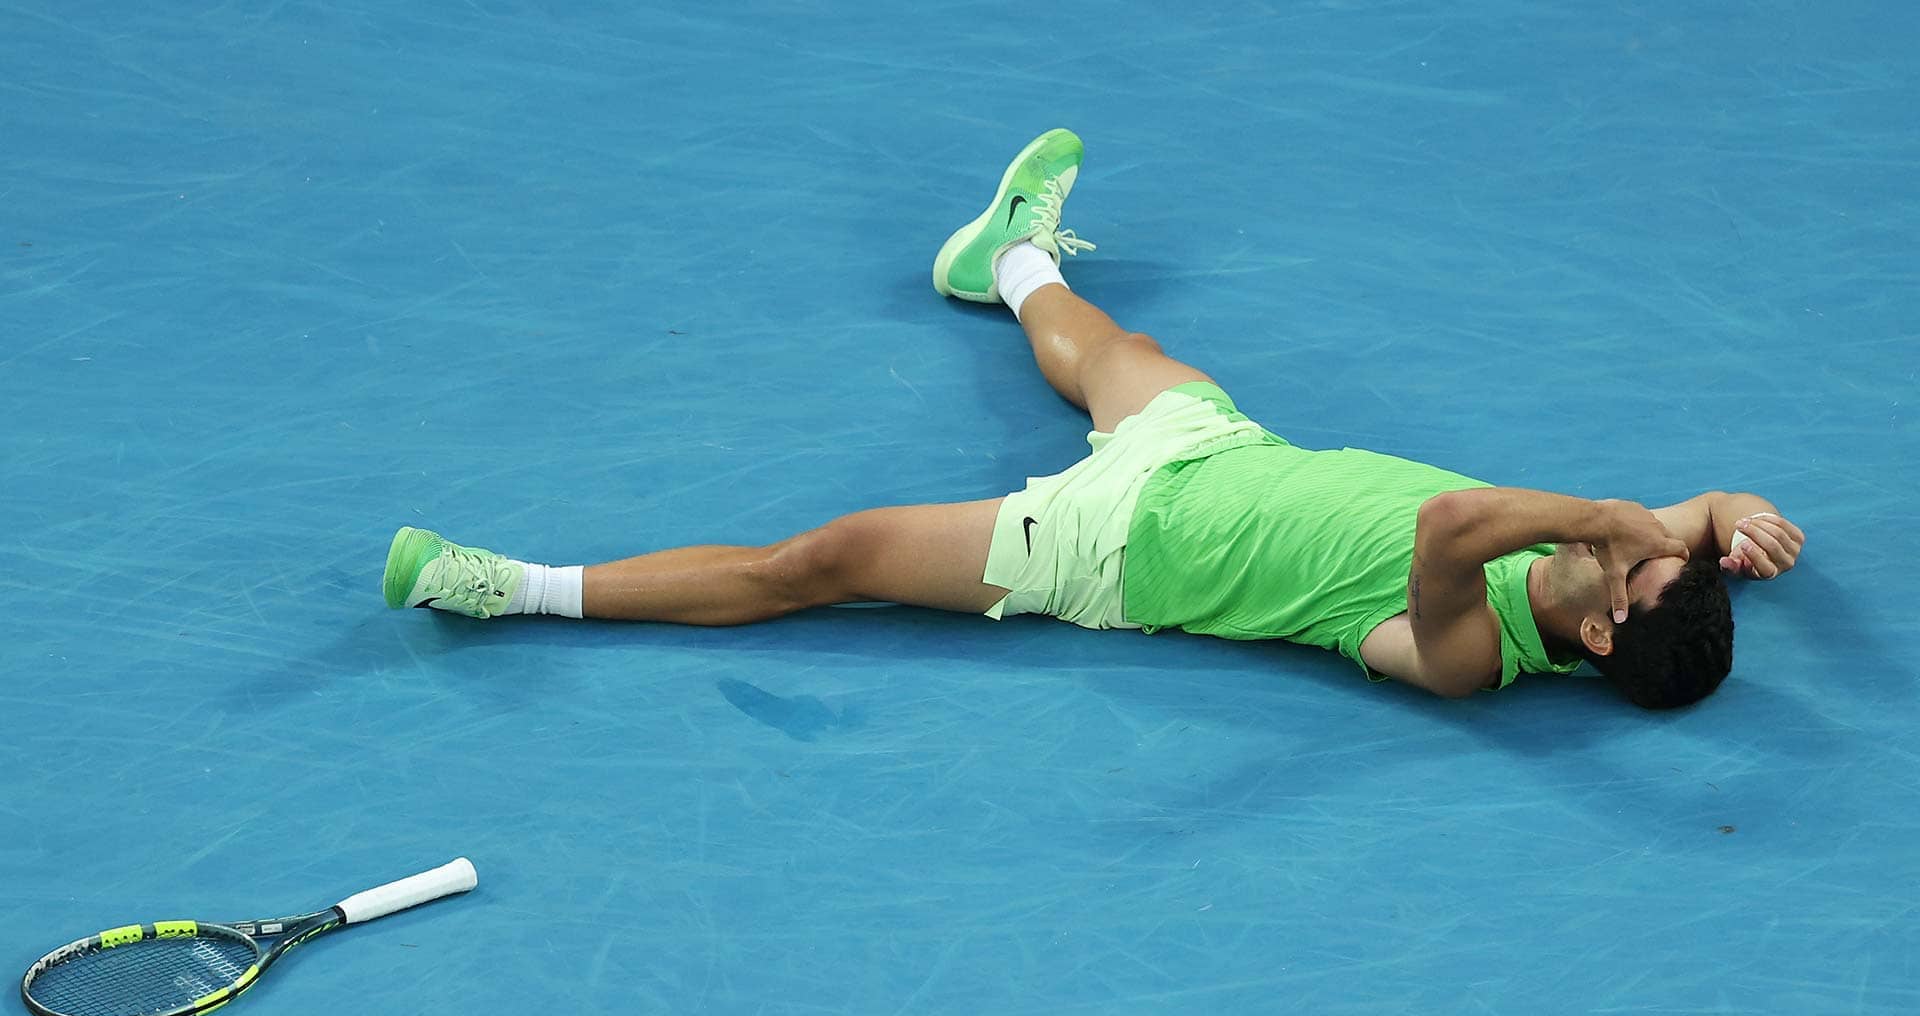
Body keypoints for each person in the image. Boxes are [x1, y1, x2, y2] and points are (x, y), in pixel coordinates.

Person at [381, 129, 1805, 708]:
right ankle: (1004, 258)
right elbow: (1696, 516)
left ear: (1599, 633)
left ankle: (513, 588)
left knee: (818, 561)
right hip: (1223, 454)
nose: (1629, 541)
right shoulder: (1617, 571)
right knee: (1120, 350)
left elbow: (1449, 525)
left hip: (1107, 552)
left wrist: (1610, 514)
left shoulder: (1469, 655)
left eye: (1629, 568)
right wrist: (1731, 519)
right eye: (1637, 548)